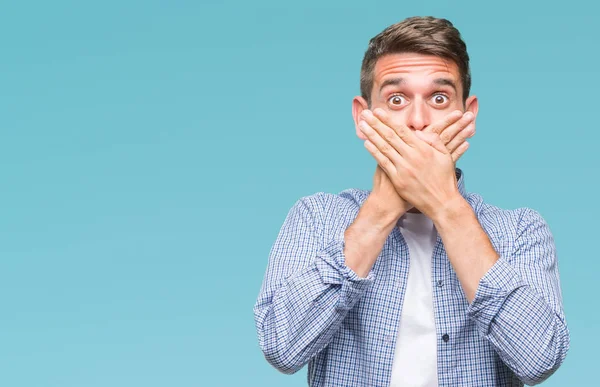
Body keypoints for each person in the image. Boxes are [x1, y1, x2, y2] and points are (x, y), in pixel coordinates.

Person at [253, 16, 569, 387]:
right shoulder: (316, 218)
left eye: (438, 98)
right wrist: (382, 210)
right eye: (397, 99)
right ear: (363, 118)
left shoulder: (520, 231)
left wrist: (446, 207)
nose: (418, 120)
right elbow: (281, 347)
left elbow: (539, 359)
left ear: (468, 115)